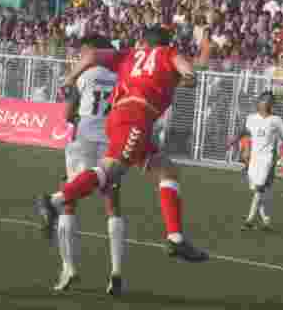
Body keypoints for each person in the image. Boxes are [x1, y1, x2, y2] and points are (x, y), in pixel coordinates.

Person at [34, 25, 210, 263]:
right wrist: (189, 76)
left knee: (166, 169)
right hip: (136, 117)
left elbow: (93, 55)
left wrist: (70, 77)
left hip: (123, 117)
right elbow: (189, 71)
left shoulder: (128, 54)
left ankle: (176, 238)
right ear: (165, 44)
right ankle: (53, 202)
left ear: (143, 43)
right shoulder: (168, 53)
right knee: (110, 170)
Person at [54, 34, 125, 295]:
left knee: (68, 199)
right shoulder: (120, 77)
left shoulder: (84, 75)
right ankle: (116, 272)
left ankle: (69, 267)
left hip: (82, 139)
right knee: (112, 205)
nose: (80, 56)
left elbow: (67, 114)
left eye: (83, 51)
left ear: (92, 51)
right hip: (110, 142)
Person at [228, 90, 283, 231]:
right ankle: (266, 220)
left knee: (259, 189)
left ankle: (249, 220)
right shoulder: (251, 118)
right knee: (257, 190)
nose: (265, 102)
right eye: (263, 99)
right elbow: (243, 130)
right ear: (259, 102)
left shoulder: (276, 120)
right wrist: (234, 139)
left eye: (269, 100)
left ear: (272, 104)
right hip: (254, 159)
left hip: (267, 159)